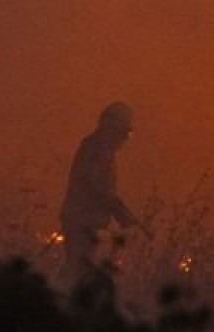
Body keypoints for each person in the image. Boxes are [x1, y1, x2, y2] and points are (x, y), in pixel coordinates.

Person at [60, 101, 148, 301]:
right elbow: (100, 189)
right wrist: (124, 215)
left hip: (84, 220)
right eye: (124, 131)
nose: (125, 138)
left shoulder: (99, 149)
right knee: (79, 268)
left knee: (75, 267)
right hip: (81, 220)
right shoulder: (97, 150)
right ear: (111, 127)